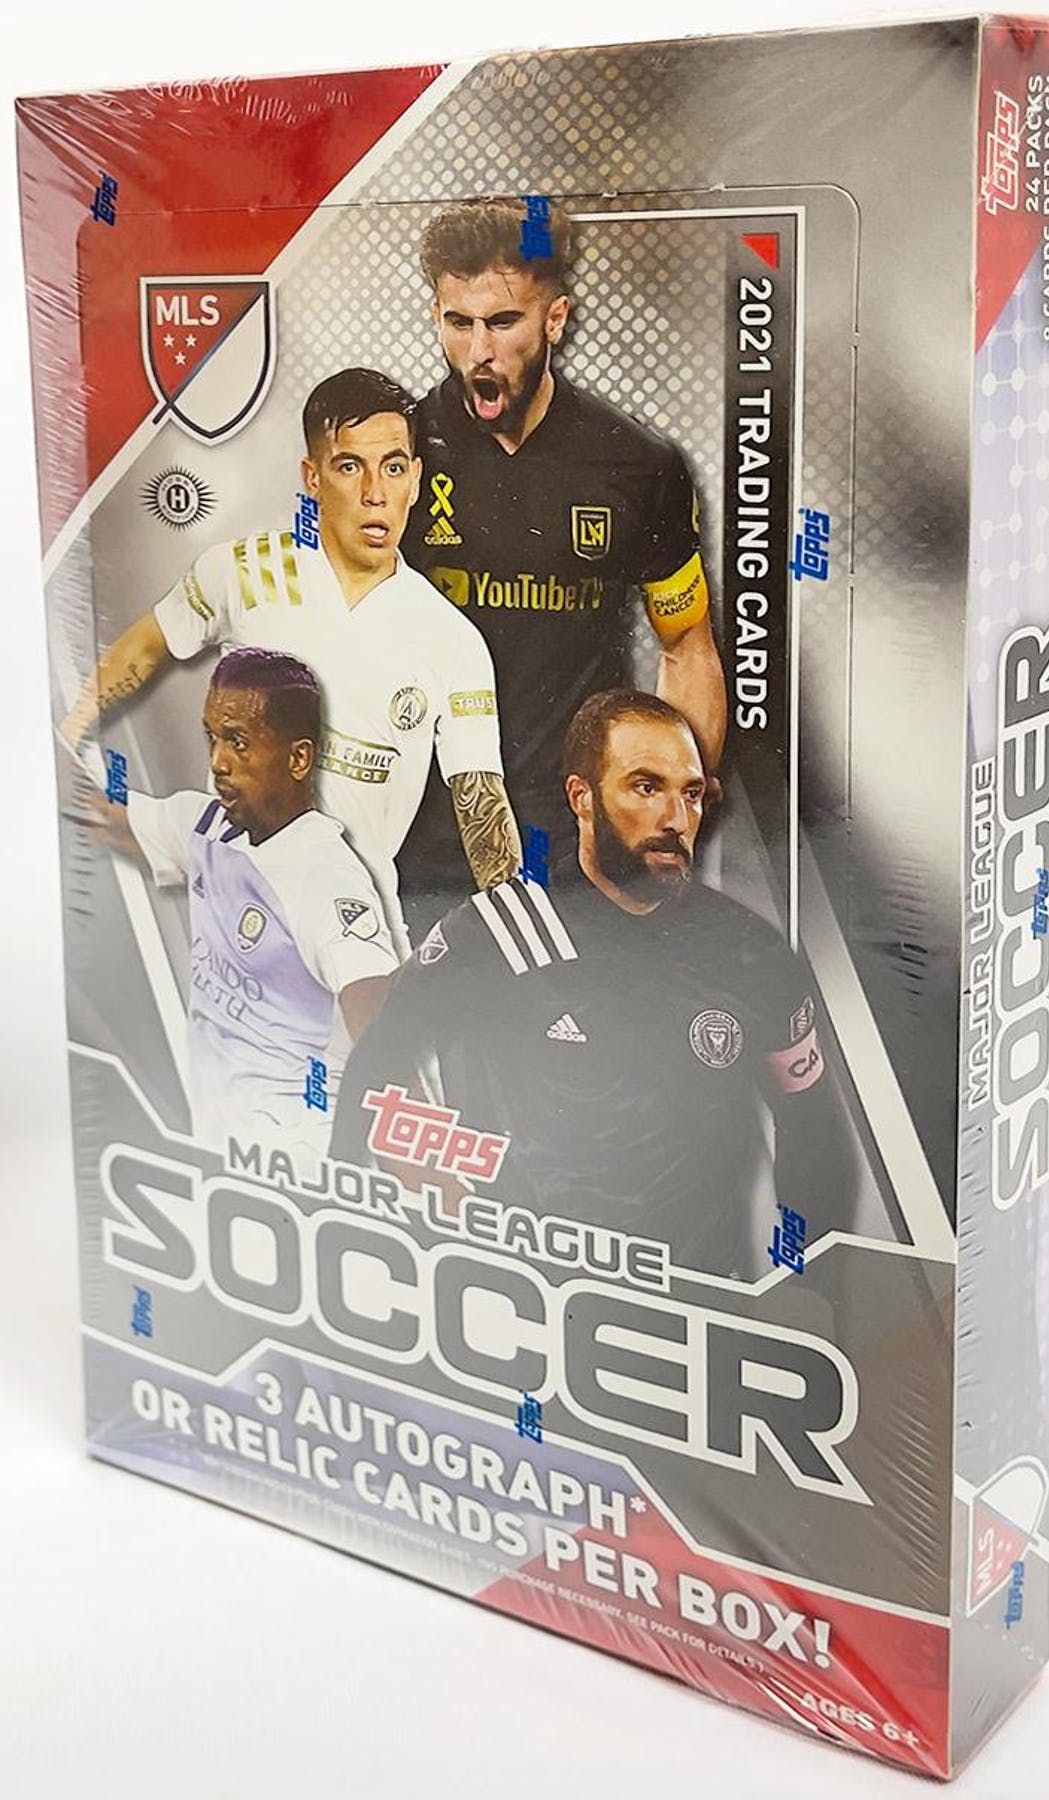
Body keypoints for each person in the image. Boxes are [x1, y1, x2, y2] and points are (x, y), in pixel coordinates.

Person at [332, 691, 849, 1278]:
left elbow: (812, 1128)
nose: (676, 820)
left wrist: (807, 1283)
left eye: (691, 793)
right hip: (531, 1298)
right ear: (582, 797)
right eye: (646, 787)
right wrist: (352, 1223)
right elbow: (377, 1063)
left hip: (701, 1301)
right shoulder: (496, 933)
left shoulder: (748, 952)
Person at [61, 368, 521, 951]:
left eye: (393, 467)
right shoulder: (246, 571)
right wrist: (68, 736)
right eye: (350, 466)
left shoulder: (451, 639)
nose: (375, 493)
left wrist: (521, 938)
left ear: (415, 480)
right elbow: (148, 644)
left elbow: (481, 802)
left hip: (358, 933)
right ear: (313, 477)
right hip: (232, 923)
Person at [400, 196, 728, 912]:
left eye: (503, 322)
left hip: (580, 839)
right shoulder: (396, 455)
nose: (479, 351)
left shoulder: (638, 465)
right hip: (419, 833)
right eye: (459, 323)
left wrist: (672, 820)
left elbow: (685, 648)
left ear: (555, 319)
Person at [88, 648, 399, 1170]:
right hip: (214, 1147)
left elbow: (387, 1042)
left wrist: (432, 1192)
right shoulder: (207, 826)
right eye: (212, 737)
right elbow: (100, 815)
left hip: (295, 1163)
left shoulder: (328, 879)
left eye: (238, 742)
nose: (217, 762)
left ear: (298, 759)